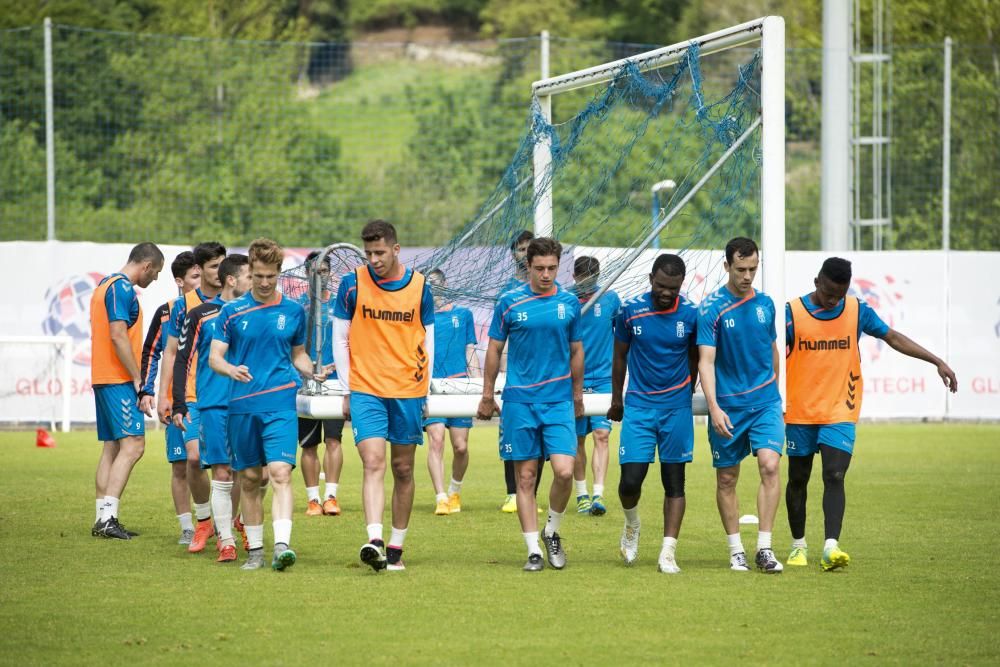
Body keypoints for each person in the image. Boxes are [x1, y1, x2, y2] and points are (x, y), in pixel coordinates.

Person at [784, 257, 958, 571]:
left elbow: (892, 337)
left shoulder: (857, 310)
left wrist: (937, 361)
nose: (833, 299)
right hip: (801, 411)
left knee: (834, 475)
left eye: (840, 293)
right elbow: (762, 350)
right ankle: (798, 546)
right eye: (828, 293)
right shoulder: (791, 313)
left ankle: (830, 547)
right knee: (798, 479)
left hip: (841, 408)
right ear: (816, 282)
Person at [209, 238, 327, 572]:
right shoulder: (231, 312)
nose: (264, 283)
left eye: (270, 277)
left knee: (278, 473)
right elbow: (215, 356)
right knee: (248, 479)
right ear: (250, 271)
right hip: (242, 405)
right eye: (258, 276)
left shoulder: (292, 311)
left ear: (278, 273)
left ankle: (282, 546)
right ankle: (256, 552)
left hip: (280, 403)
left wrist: (313, 371)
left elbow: (298, 354)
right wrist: (231, 368)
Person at [333, 220, 435, 572]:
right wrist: (347, 387)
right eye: (369, 253)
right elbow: (340, 338)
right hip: (366, 389)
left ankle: (396, 546)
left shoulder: (420, 286)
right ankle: (374, 539)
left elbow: (428, 340)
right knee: (373, 461)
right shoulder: (351, 285)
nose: (374, 259)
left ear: (395, 249)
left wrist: (425, 390)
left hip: (407, 390)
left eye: (380, 252)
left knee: (403, 468)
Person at [478, 237, 584, 572]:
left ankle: (551, 530)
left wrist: (578, 395)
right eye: (540, 268)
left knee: (565, 472)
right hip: (520, 401)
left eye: (552, 268)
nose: (546, 274)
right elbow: (494, 349)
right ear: (528, 266)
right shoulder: (509, 302)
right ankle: (533, 550)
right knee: (525, 478)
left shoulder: (569, 303)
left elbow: (577, 350)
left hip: (558, 401)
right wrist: (487, 393)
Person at [697, 237, 785, 574]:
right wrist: (715, 408)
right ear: (726, 266)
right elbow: (705, 362)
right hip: (729, 408)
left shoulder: (766, 305)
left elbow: (773, 350)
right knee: (727, 479)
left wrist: (773, 393)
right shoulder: (711, 309)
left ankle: (764, 548)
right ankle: (736, 550)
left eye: (752, 269)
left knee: (770, 466)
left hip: (764, 403)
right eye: (740, 269)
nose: (747, 276)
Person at [608, 254, 698, 574]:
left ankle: (668, 552)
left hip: (676, 410)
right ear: (650, 279)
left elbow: (694, 358)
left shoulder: (691, 314)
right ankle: (632, 525)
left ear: (680, 285)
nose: (665, 292)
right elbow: (619, 357)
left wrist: (685, 395)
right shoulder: (630, 311)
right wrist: (617, 399)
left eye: (672, 288)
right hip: (639, 408)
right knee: (630, 481)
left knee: (675, 482)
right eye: (660, 285)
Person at [173, 254, 250, 563]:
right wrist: (179, 402)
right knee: (221, 470)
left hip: (249, 403)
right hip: (214, 404)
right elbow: (182, 358)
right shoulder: (200, 314)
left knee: (259, 473)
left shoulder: (254, 311)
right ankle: (225, 539)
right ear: (232, 279)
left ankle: (238, 520)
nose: (255, 281)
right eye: (249, 275)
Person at [91, 242, 164, 539]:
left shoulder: (104, 284)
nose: (155, 279)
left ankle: (102, 517)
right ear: (146, 266)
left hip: (102, 376)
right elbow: (118, 334)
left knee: (113, 447)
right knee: (134, 445)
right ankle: (108, 518)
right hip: (118, 378)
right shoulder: (121, 288)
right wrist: (137, 378)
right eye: (156, 272)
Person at [158, 242, 226, 553]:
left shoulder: (236, 301)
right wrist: (165, 396)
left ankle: (232, 523)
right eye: (214, 267)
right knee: (194, 458)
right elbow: (171, 352)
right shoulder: (184, 306)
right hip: (192, 395)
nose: (220, 272)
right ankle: (201, 521)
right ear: (199, 270)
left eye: (222, 265)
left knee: (234, 466)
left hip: (227, 394)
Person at [138, 251, 200, 544]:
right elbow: (152, 351)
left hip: (210, 399)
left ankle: (216, 521)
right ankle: (188, 526)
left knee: (213, 463)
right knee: (181, 465)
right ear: (180, 281)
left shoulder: (219, 308)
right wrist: (151, 391)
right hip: (178, 400)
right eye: (195, 277)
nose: (203, 280)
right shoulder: (167, 312)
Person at [424, 269, 480, 515]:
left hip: (459, 387)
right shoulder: (420, 317)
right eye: (428, 284)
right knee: (436, 441)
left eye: (436, 282)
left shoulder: (463, 314)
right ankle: (441, 497)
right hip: (432, 388)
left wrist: (478, 386)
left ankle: (455, 490)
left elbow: (470, 351)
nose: (433, 287)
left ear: (445, 283)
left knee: (461, 447)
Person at [497, 229, 545, 514]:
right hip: (516, 373)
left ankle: (532, 494)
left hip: (545, 374)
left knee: (540, 437)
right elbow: (499, 338)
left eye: (528, 248)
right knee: (513, 433)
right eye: (519, 248)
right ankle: (511, 493)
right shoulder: (507, 292)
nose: (523, 252)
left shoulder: (549, 288)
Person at [296, 250, 346, 517]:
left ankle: (331, 496)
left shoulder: (340, 306)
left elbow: (351, 342)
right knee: (308, 444)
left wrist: (338, 367)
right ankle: (313, 498)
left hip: (336, 384)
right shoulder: (297, 307)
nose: (320, 276)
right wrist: (308, 370)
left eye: (324, 271)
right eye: (315, 271)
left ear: (330, 273)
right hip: (306, 386)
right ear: (306, 274)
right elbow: (291, 348)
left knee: (335, 440)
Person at [571, 256, 621, 516]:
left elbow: (622, 338)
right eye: (583, 279)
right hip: (574, 380)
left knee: (602, 435)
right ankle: (581, 495)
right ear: (575, 277)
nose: (587, 284)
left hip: (603, 379)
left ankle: (599, 494)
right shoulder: (566, 300)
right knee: (578, 439)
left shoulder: (610, 299)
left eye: (592, 278)